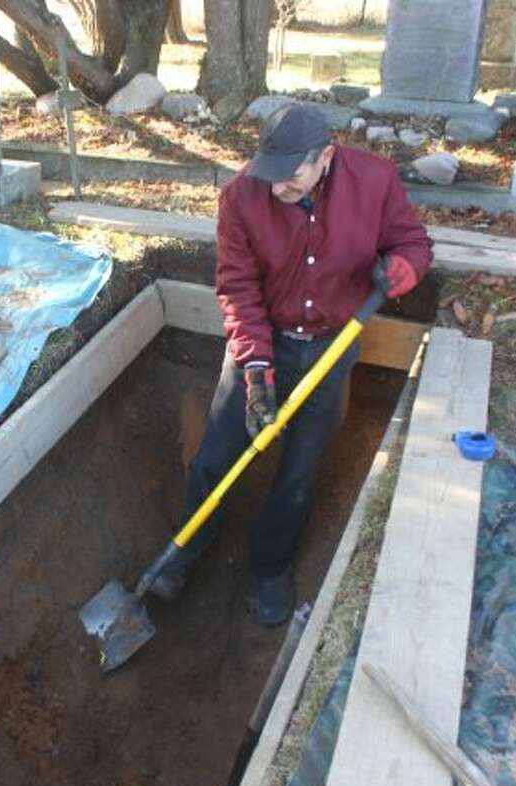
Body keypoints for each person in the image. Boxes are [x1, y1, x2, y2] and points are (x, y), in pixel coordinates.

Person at [152, 103, 433, 626]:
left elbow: (414, 244)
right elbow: (237, 287)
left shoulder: (374, 182)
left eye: (290, 176)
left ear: (325, 156)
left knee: (299, 472)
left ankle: (271, 566)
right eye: (270, 173)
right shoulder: (241, 196)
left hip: (332, 346)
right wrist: (256, 368)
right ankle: (187, 549)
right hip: (264, 342)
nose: (277, 186)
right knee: (216, 456)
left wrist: (403, 269)